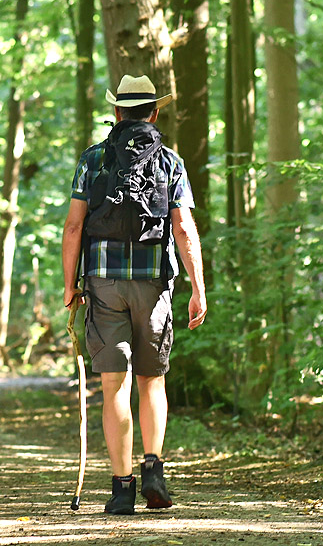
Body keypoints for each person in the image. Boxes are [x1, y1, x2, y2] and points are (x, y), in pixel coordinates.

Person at [62, 74, 207, 515]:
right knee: (152, 380)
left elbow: (73, 227)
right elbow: (182, 228)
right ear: (155, 112)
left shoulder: (93, 160)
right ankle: (154, 471)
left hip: (104, 283)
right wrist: (198, 289)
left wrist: (70, 284)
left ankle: (122, 488)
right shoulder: (171, 162)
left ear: (119, 112)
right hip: (154, 281)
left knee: (114, 385)